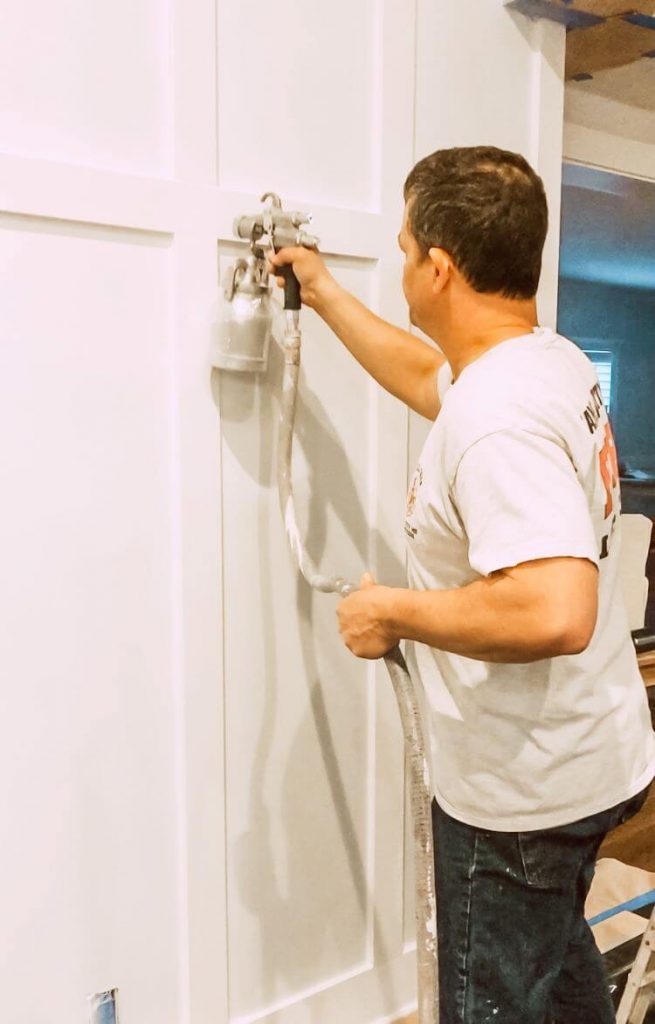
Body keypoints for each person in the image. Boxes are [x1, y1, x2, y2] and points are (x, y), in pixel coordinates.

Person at [269, 146, 655, 1024]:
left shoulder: (496, 418)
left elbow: (555, 607)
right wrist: (325, 293)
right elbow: (424, 375)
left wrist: (391, 612)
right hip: (591, 760)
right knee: (556, 967)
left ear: (437, 267)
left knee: (491, 1003)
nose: (402, 263)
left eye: (405, 250)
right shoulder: (540, 361)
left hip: (521, 801)